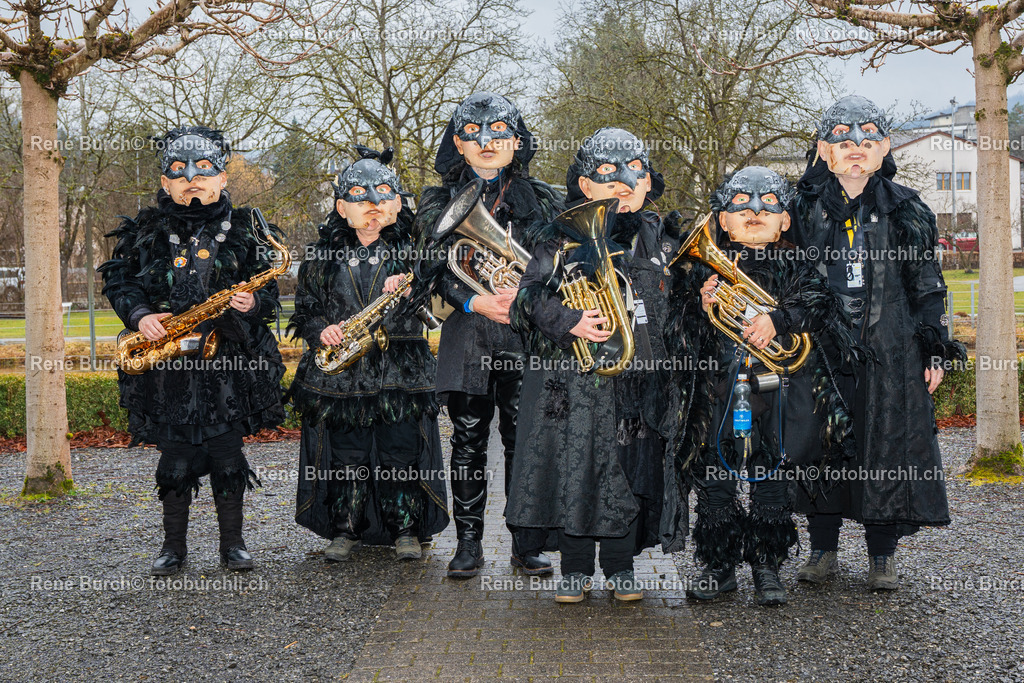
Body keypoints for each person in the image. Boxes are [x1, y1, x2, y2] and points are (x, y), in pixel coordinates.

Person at [790, 95, 965, 590]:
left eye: (867, 140)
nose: (856, 148)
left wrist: (934, 349)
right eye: (843, 140)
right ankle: (821, 549)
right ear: (824, 150)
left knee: (884, 445)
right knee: (820, 444)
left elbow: (927, 285)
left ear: (885, 147)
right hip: (818, 347)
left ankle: (881, 556)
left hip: (891, 349)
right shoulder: (798, 208)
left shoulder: (907, 207)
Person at [668, 167, 861, 605]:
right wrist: (700, 306)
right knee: (714, 478)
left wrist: (777, 320)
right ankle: (718, 566)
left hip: (778, 389)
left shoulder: (798, 263)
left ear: (785, 221)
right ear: (721, 219)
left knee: (771, 477)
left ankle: (767, 567)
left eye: (768, 204)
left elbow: (821, 304)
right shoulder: (698, 269)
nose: (754, 212)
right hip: (716, 389)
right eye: (740, 205)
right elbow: (673, 328)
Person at [507, 127, 686, 602]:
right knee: (576, 470)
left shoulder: (666, 237)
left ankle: (623, 567)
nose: (622, 183)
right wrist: (570, 320)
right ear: (585, 187)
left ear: (648, 182)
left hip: (642, 381)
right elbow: (525, 301)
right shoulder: (559, 237)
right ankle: (576, 568)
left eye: (634, 173)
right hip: (576, 382)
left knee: (630, 470)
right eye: (607, 175)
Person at [99, 126, 286, 575]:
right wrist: (140, 313)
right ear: (165, 182)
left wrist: (252, 301)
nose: (192, 178)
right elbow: (119, 281)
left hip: (227, 364)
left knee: (227, 454)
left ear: (223, 178)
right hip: (168, 364)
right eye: (179, 172)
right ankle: (173, 548)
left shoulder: (247, 229)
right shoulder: (144, 229)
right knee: (176, 459)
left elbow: (271, 291)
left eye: (204, 170)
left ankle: (233, 546)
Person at [412, 93, 563, 578]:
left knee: (526, 442)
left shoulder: (543, 197)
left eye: (498, 133)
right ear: (458, 142)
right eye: (473, 135)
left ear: (516, 141)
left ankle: (524, 542)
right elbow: (430, 267)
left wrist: (525, 294)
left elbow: (559, 259)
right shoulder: (436, 199)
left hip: (525, 334)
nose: (486, 143)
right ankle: (469, 545)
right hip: (470, 334)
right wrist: (475, 300)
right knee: (468, 442)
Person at [288, 146, 448, 562]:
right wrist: (319, 328)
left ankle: (406, 530)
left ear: (398, 203)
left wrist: (415, 287)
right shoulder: (319, 258)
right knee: (348, 454)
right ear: (342, 207)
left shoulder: (419, 251)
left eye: (382, 197)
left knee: (400, 451)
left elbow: (443, 301)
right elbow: (304, 310)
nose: (373, 206)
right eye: (360, 197)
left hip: (401, 370)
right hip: (342, 371)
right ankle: (345, 529)